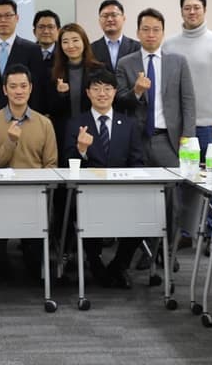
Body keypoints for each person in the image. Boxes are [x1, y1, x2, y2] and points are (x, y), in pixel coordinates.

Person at [64, 69, 144, 288]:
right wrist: (81, 150)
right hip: (88, 194)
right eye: (96, 89)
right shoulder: (76, 123)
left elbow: (137, 161)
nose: (102, 94)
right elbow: (67, 163)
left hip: (123, 193)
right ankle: (95, 263)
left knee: (145, 216)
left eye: (107, 89)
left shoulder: (128, 124)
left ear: (115, 92)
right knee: (84, 213)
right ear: (88, 93)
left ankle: (119, 265)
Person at [0, 63, 57, 278]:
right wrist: (11, 142)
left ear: (31, 88)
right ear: (5, 90)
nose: (19, 91)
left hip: (34, 195)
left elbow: (51, 165)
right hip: (0, 195)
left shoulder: (44, 124)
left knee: (35, 266)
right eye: (13, 86)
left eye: (23, 86)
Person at [114, 8, 195, 168]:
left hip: (168, 138)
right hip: (135, 139)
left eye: (156, 30)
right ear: (138, 33)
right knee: (136, 182)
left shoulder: (178, 62)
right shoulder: (125, 63)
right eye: (145, 29)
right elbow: (118, 101)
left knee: (173, 182)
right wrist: (136, 91)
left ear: (163, 33)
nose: (151, 34)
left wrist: (187, 137)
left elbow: (188, 102)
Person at [164, 0, 212, 159]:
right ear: (181, 11)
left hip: (210, 126)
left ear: (205, 10)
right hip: (179, 127)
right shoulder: (169, 45)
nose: (192, 12)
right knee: (181, 173)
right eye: (187, 8)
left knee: (210, 172)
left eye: (197, 7)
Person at [46, 23, 105, 161]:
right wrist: (61, 94)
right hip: (63, 131)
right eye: (65, 42)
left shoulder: (98, 69)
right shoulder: (52, 72)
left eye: (75, 40)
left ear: (84, 42)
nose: (71, 46)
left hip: (92, 128)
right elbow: (49, 108)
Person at [91, 0, 140, 72]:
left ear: (123, 18)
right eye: (105, 16)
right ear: (99, 20)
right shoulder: (91, 49)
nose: (109, 19)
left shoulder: (137, 47)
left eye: (114, 15)